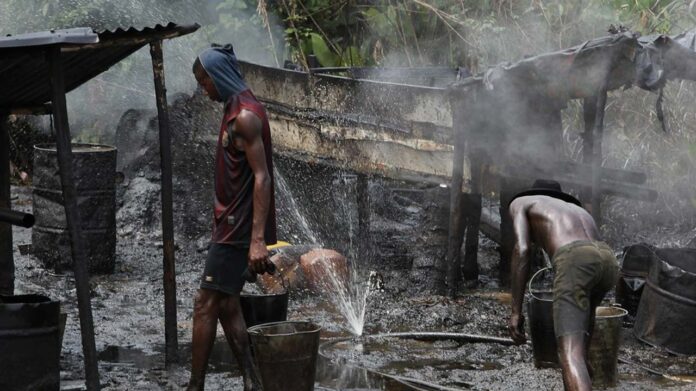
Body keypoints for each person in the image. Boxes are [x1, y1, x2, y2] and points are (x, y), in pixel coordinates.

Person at [187, 44, 277, 391]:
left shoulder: (245, 116)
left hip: (235, 229)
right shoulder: (236, 109)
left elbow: (262, 177)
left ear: (216, 76)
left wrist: (256, 239)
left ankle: (195, 386)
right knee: (227, 304)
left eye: (203, 82)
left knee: (205, 302)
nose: (202, 89)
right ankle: (253, 382)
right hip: (230, 224)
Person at [507, 179, 618, 391]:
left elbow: (522, 250)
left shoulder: (521, 202)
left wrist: (515, 312)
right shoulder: (576, 210)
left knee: (570, 355)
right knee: (580, 355)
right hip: (607, 260)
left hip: (575, 259)